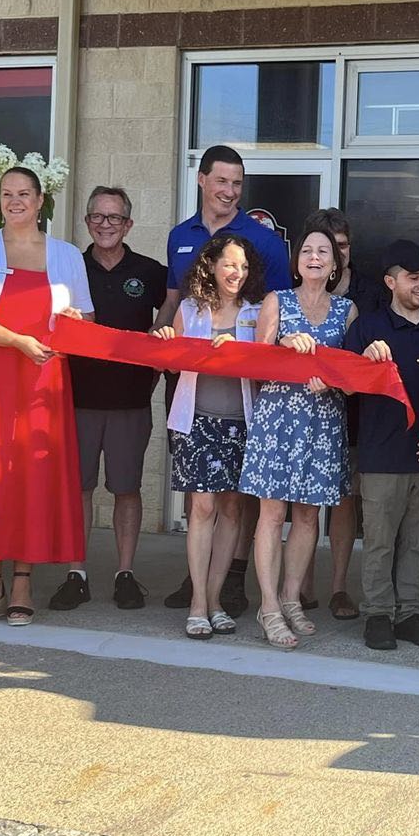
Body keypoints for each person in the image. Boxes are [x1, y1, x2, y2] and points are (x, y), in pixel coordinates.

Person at [0, 166, 94, 629]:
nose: (15, 202)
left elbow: (86, 324)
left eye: (24, 193)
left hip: (42, 380)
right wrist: (15, 340)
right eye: (7, 193)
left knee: (29, 473)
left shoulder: (67, 255)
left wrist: (72, 320)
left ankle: (25, 581)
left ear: (40, 199)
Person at [159, 145, 292, 615]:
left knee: (235, 502)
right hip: (193, 397)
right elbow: (173, 302)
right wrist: (162, 348)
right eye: (221, 182)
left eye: (237, 184)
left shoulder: (265, 242)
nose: (229, 192)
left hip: (244, 403)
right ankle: (201, 593)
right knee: (201, 502)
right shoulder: (180, 235)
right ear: (201, 179)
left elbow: (278, 310)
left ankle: (231, 580)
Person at [48, 186, 166, 613]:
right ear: (86, 222)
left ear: (128, 224)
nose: (104, 225)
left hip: (130, 402)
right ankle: (76, 574)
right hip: (76, 399)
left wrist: (156, 358)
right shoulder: (69, 269)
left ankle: (125, 574)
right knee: (79, 488)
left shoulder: (150, 272)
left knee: (127, 489)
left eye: (113, 218)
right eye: (97, 217)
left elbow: (173, 310)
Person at [239, 226, 355, 649]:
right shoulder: (277, 300)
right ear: (297, 260)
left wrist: (335, 380)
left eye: (323, 251)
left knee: (308, 516)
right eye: (307, 249)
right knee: (271, 515)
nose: (314, 256)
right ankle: (268, 605)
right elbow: (257, 360)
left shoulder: (347, 310)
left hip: (323, 422)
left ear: (335, 264)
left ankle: (291, 598)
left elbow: (351, 371)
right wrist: (285, 342)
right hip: (279, 418)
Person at [347, 239, 419, 651]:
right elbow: (344, 384)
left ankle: (411, 614)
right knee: (380, 541)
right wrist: (364, 358)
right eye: (413, 278)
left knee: (418, 543)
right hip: (382, 456)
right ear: (390, 281)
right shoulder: (367, 327)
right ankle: (378, 614)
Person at [153, 234, 266, 639]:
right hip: (195, 420)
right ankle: (198, 602)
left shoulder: (257, 312)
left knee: (232, 510)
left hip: (241, 421)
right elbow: (171, 367)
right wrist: (168, 343)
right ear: (212, 265)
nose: (237, 273)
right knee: (201, 509)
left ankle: (216, 600)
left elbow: (265, 367)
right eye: (230, 264)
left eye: (244, 267)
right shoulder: (188, 308)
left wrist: (239, 350)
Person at [296, 207, 384, 620]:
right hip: (304, 410)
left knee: (346, 500)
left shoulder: (367, 293)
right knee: (305, 503)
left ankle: (338, 589)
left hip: (353, 412)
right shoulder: (291, 291)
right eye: (328, 245)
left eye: (342, 245)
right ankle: (304, 586)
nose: (336, 253)